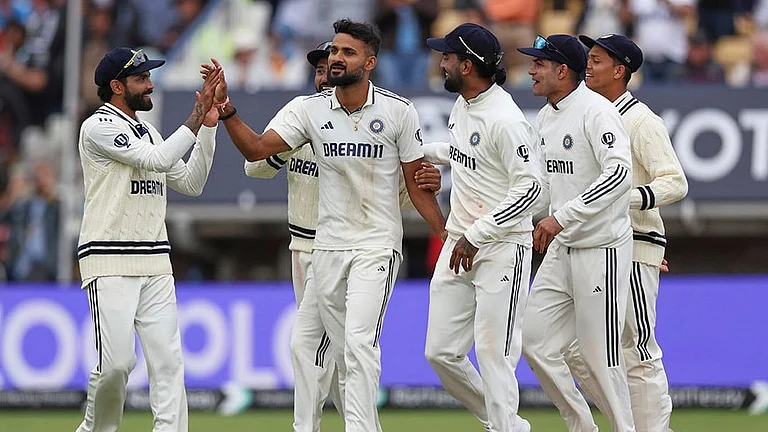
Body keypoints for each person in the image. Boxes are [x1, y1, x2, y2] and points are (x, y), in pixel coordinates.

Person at [204, 19, 447, 432]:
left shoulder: (398, 111)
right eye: (333, 51)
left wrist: (448, 234)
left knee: (357, 344)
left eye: (346, 52)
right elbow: (258, 150)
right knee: (307, 346)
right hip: (324, 249)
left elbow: (414, 183)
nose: (335, 58)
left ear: (370, 62)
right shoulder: (308, 110)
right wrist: (227, 110)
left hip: (375, 246)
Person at [75, 47, 221, 432]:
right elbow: (155, 162)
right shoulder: (98, 128)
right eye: (142, 78)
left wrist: (208, 126)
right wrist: (194, 116)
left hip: (156, 260)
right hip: (109, 260)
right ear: (117, 86)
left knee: (169, 366)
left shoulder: (150, 131)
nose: (150, 83)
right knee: (116, 365)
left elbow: (191, 182)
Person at [421, 23, 539, 432]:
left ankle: (504, 426)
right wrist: (421, 154)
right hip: (461, 243)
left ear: (467, 66)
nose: (441, 63)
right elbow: (465, 153)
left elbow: (531, 188)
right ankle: (504, 422)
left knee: (494, 353)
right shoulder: (464, 105)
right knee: (440, 352)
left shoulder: (506, 118)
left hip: (501, 246)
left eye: (448, 58)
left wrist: (477, 234)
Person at [568, 33, 688, 432]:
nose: (588, 64)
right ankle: (629, 425)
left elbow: (675, 181)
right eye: (589, 57)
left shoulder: (640, 120)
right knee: (574, 349)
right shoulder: (587, 113)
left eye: (598, 60)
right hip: (596, 244)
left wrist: (624, 201)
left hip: (635, 245)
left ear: (620, 71)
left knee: (636, 348)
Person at [516, 34, 635, 432]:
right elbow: (544, 188)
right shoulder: (546, 117)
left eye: (539, 65)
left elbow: (619, 173)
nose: (531, 71)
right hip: (562, 248)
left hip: (601, 250)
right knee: (534, 343)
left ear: (562, 71)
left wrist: (561, 217)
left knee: (601, 359)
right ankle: (582, 425)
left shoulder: (596, 111)